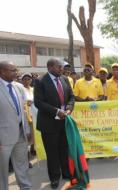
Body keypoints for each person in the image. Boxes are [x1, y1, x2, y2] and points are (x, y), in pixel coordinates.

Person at [34, 58, 75, 189]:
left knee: (64, 149)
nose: (62, 69)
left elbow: (71, 97)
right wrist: (57, 111)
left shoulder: (64, 79)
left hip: (64, 122)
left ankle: (66, 173)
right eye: (59, 66)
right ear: (50, 67)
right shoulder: (40, 81)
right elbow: (39, 102)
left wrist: (68, 108)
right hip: (49, 123)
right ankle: (54, 177)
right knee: (52, 152)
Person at [0, 61, 32, 190]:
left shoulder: (19, 87)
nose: (16, 73)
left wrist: (27, 129)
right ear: (2, 71)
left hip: (21, 134)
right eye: (12, 70)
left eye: (16, 69)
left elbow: (23, 111)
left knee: (22, 165)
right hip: (3, 137)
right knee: (2, 168)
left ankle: (25, 187)